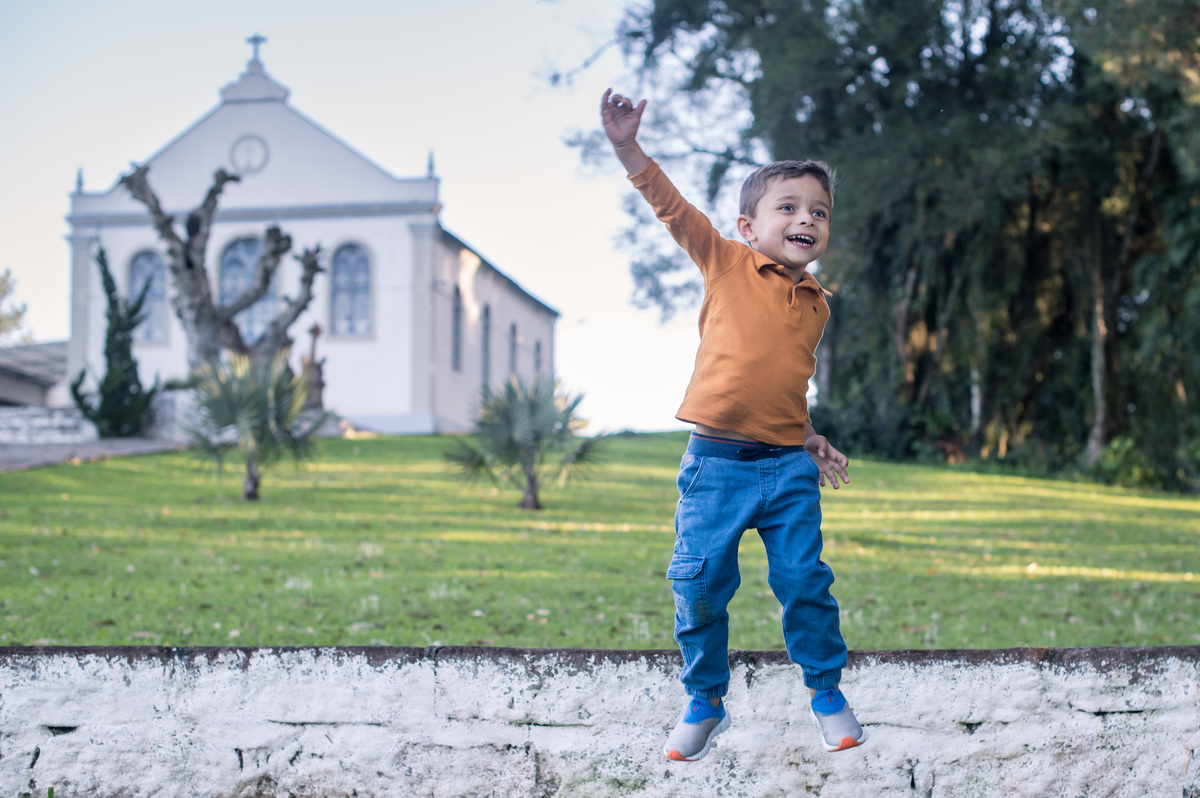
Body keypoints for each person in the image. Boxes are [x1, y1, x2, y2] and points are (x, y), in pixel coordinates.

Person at [600, 89, 868, 761]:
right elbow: (670, 207)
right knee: (697, 584)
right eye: (789, 207)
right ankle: (704, 699)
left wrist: (808, 436)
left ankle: (826, 692)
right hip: (715, 467)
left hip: (787, 469)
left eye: (819, 212)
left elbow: (785, 381)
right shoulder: (724, 261)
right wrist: (629, 147)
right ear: (748, 227)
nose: (806, 218)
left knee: (804, 581)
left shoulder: (817, 304)